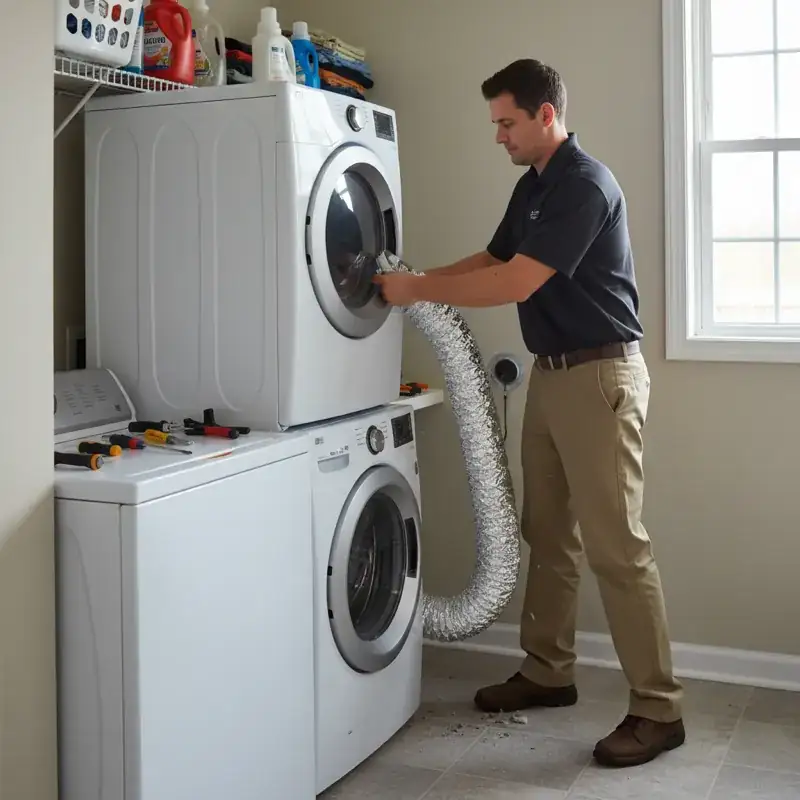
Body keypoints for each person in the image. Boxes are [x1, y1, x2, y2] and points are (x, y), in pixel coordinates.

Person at [373, 58, 685, 768]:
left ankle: (659, 710)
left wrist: (414, 288)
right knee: (548, 531)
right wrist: (412, 283)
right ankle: (549, 672)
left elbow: (517, 280)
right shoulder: (534, 187)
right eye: (495, 124)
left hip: (600, 378)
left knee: (619, 548)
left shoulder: (584, 185)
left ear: (546, 115)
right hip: (553, 376)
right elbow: (493, 255)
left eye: (506, 122)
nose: (498, 135)